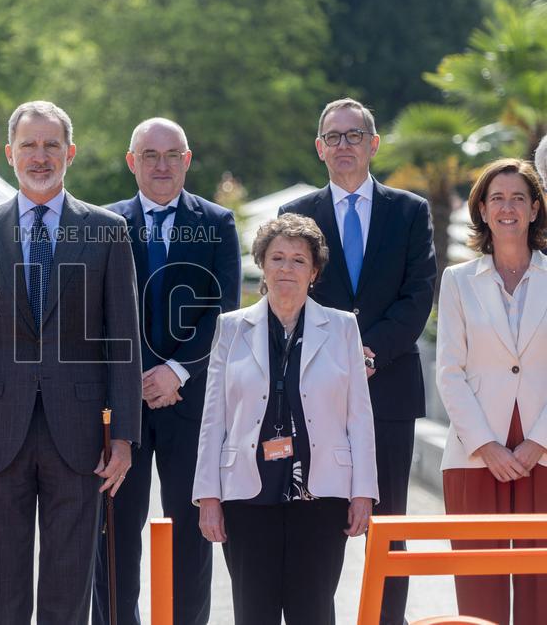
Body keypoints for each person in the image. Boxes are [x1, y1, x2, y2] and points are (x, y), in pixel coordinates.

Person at [0, 101, 142, 624]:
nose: (40, 155)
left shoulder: (107, 231)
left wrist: (123, 435)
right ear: (9, 154)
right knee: (3, 590)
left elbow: (123, 339)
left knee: (69, 586)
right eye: (29, 144)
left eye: (52, 144)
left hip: (79, 438)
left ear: (70, 153)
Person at [279, 97, 436, 625]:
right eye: (333, 136)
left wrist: (367, 355)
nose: (343, 145)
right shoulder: (296, 215)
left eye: (354, 135)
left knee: (389, 525)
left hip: (388, 389)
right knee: (318, 524)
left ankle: (389, 620)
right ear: (319, 148)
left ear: (373, 144)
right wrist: (338, 360)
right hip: (316, 392)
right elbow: (291, 295)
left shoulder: (410, 211)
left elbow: (417, 297)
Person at [194, 213, 377, 625]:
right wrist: (208, 496)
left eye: (298, 260)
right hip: (245, 495)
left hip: (323, 496)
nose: (286, 268)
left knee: (313, 613)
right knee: (252, 613)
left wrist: (363, 491)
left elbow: (359, 416)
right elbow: (214, 418)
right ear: (262, 265)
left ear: (314, 272)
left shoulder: (344, 328)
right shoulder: (230, 327)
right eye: (277, 258)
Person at [93, 118, 241, 625]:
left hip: (191, 403)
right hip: (121, 404)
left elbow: (223, 310)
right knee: (114, 532)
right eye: (149, 155)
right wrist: (133, 375)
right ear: (132, 162)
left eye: (171, 154)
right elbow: (96, 313)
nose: (161, 164)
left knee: (189, 531)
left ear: (187, 160)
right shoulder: (104, 223)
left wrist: (176, 372)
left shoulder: (218, 223)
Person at [437, 158, 547, 625]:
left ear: (536, 208)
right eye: (497, 198)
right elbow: (449, 371)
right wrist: (487, 445)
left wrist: (538, 441)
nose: (508, 208)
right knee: (479, 588)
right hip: (474, 455)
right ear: (481, 209)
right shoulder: (457, 281)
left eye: (519, 198)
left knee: (541, 590)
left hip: (542, 451)